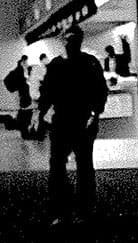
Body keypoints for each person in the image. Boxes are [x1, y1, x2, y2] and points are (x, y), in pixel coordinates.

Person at [36, 27, 108, 225]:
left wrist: (41, 113)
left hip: (65, 120)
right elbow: (101, 91)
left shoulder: (58, 65)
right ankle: (83, 208)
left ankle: (62, 207)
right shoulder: (90, 63)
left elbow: (47, 93)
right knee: (82, 164)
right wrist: (95, 113)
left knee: (60, 164)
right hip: (79, 120)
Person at [3, 55, 30, 135]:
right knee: (24, 109)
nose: (27, 63)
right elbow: (19, 81)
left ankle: (21, 127)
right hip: (23, 94)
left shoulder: (19, 70)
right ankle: (20, 127)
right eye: (26, 61)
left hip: (22, 94)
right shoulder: (19, 70)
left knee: (23, 110)